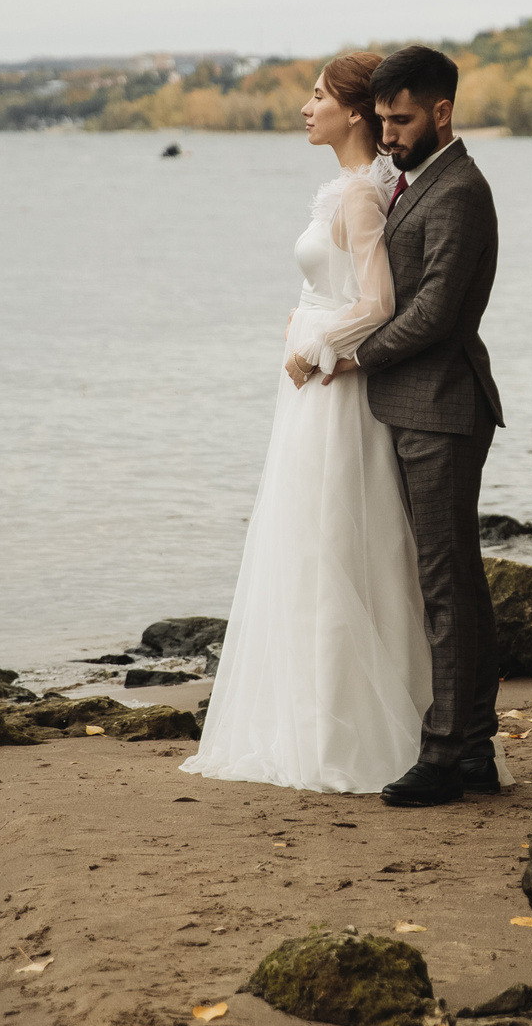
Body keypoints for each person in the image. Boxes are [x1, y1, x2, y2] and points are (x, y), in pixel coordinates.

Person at [179, 52, 432, 794]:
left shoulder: (359, 195)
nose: (304, 106)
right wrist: (303, 320)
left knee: (331, 545)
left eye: (317, 95)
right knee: (308, 542)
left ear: (353, 112)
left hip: (331, 391)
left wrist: (319, 344)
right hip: (312, 384)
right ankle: (311, 717)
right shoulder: (347, 190)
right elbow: (335, 283)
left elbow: (380, 303)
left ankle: (335, 732)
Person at [324, 45, 508, 808]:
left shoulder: (460, 189)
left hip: (442, 407)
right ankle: (472, 745)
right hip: (419, 406)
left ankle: (446, 752)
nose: (389, 133)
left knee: (445, 581)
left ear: (441, 112)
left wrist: (354, 353)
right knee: (453, 577)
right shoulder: (416, 182)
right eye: (384, 119)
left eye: (401, 119)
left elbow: (432, 312)